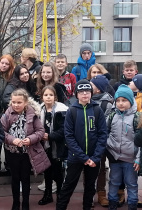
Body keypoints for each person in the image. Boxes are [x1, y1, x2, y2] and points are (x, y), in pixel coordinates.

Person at [56, 79, 107, 210]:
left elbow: (102, 134)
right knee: (68, 186)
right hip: (75, 157)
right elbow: (69, 136)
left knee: (90, 187)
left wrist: (95, 157)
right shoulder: (72, 111)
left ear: (91, 93)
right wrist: (83, 157)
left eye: (87, 91)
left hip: (94, 158)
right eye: (81, 91)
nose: (85, 94)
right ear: (76, 94)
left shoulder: (97, 110)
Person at [1, 88, 49, 210]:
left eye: (19, 102)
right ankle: (16, 202)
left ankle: (26, 203)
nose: (16, 105)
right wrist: (13, 140)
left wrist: (31, 139)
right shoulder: (7, 114)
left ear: (25, 102)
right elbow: (1, 132)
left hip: (27, 152)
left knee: (25, 178)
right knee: (15, 178)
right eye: (14, 102)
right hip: (12, 151)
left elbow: (40, 131)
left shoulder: (32, 114)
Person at [106, 85, 141, 210]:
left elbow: (140, 141)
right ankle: (112, 203)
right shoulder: (112, 116)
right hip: (115, 157)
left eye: (124, 100)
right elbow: (106, 132)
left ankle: (132, 205)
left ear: (131, 101)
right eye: (118, 100)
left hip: (131, 159)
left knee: (131, 184)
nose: (121, 103)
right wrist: (109, 147)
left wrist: (138, 158)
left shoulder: (137, 117)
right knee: (114, 182)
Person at [38, 86, 68, 206]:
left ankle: (60, 194)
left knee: (58, 172)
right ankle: (48, 194)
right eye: (46, 95)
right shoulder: (39, 109)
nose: (48, 97)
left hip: (58, 145)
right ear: (42, 97)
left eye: (51, 95)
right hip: (44, 146)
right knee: (47, 171)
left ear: (55, 97)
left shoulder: (62, 110)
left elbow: (64, 129)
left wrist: (50, 136)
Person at [90, 75, 114, 207]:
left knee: (101, 168)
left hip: (100, 141)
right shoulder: (85, 100)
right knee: (88, 168)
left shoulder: (107, 104)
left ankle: (101, 193)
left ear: (98, 89)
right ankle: (89, 194)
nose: (89, 86)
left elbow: (105, 125)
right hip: (87, 141)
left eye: (92, 85)